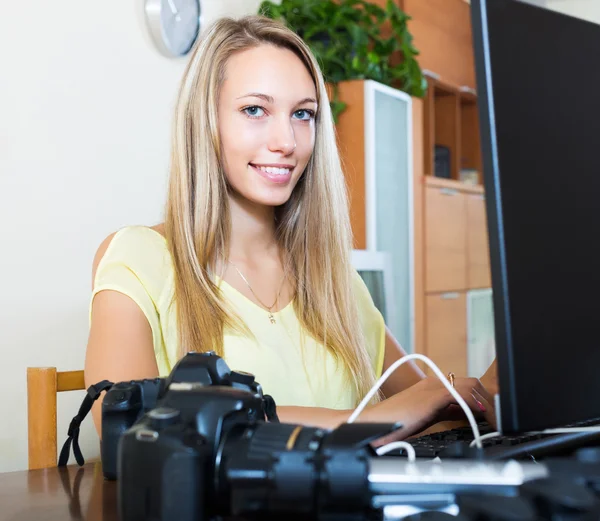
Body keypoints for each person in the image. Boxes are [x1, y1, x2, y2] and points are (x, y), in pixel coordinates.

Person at [84, 14, 497, 443]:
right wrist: (381, 418)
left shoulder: (333, 279)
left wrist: (491, 393)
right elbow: (128, 433)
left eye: (303, 114)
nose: (287, 141)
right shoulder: (139, 258)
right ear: (204, 121)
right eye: (255, 110)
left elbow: (431, 413)